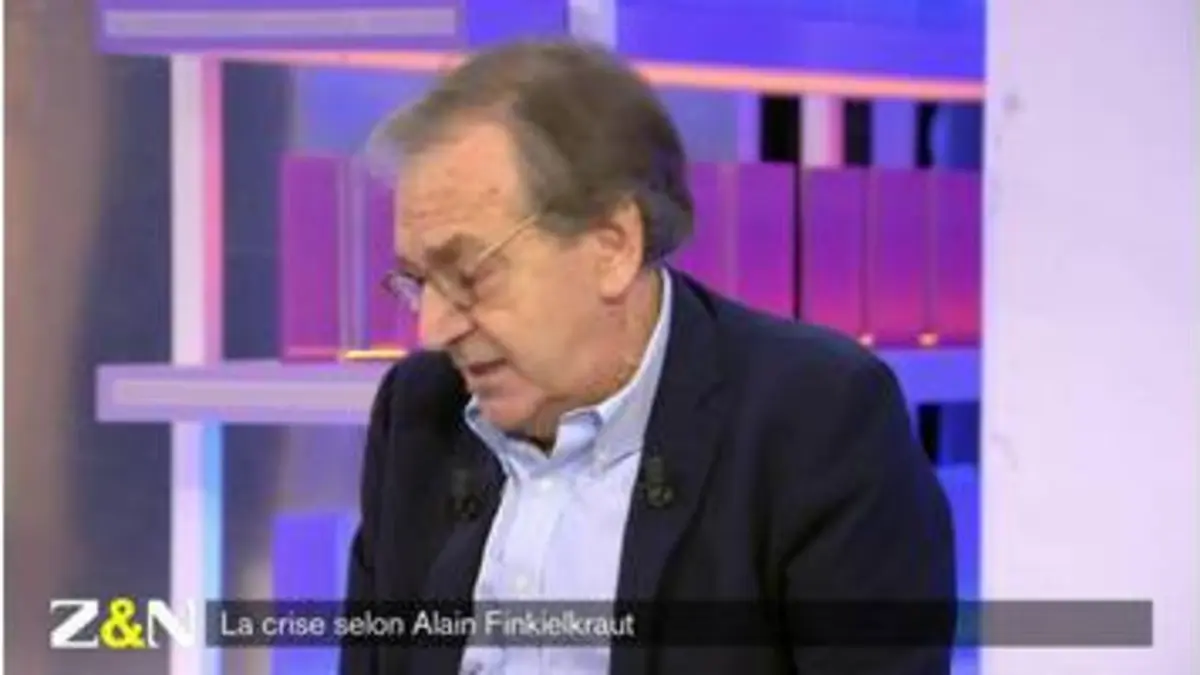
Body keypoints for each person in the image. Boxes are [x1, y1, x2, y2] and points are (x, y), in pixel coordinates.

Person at [339, 39, 956, 675]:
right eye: (418, 281)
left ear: (613, 246)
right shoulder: (418, 412)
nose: (432, 329)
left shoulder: (817, 421)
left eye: (470, 275)